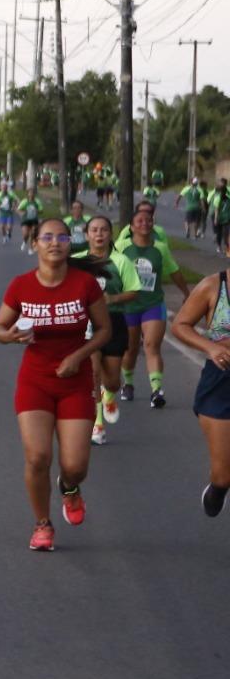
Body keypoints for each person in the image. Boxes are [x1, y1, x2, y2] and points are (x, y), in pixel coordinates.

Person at [0, 218, 111, 551]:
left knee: (75, 466)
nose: (55, 242)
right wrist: (10, 336)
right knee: (37, 457)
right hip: (35, 381)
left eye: (62, 237)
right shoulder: (21, 286)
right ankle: (42, 524)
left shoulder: (85, 284)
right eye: (47, 237)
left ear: (69, 243)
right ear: (35, 244)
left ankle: (70, 489)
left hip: (75, 381)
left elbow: (104, 330)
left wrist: (80, 355)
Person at [72, 215, 140, 445]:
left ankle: (110, 395)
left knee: (111, 380)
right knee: (92, 373)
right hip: (86, 325)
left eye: (103, 230)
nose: (99, 234)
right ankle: (97, 424)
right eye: (94, 230)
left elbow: (134, 291)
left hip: (113, 322)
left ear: (110, 234)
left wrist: (112, 298)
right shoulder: (77, 261)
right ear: (87, 234)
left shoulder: (121, 261)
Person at [169, 271, 230, 516]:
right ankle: (219, 487)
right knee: (224, 475)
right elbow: (180, 325)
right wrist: (211, 347)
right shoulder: (214, 286)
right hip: (221, 382)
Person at [118, 206, 191, 407]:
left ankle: (156, 390)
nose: (145, 223)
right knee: (131, 349)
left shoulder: (160, 248)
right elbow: (111, 268)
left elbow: (174, 271)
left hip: (153, 303)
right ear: (131, 227)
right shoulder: (122, 246)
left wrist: (187, 293)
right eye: (139, 221)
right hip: (128, 306)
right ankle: (129, 383)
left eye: (148, 220)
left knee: (151, 345)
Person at [17, 188, 42, 254]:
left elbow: (41, 210)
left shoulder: (37, 201)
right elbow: (19, 209)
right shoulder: (25, 201)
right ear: (28, 194)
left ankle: (31, 248)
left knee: (32, 233)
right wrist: (23, 212)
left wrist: (37, 211)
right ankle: (24, 242)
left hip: (34, 220)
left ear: (34, 194)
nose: (31, 194)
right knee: (26, 234)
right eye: (30, 193)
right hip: (25, 220)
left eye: (33, 193)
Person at [210, 178, 230, 254]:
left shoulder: (229, 199)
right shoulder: (217, 199)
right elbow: (216, 209)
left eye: (224, 191)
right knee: (219, 233)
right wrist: (215, 219)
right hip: (219, 218)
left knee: (226, 234)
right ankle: (219, 246)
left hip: (227, 219)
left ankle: (227, 247)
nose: (223, 192)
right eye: (222, 191)